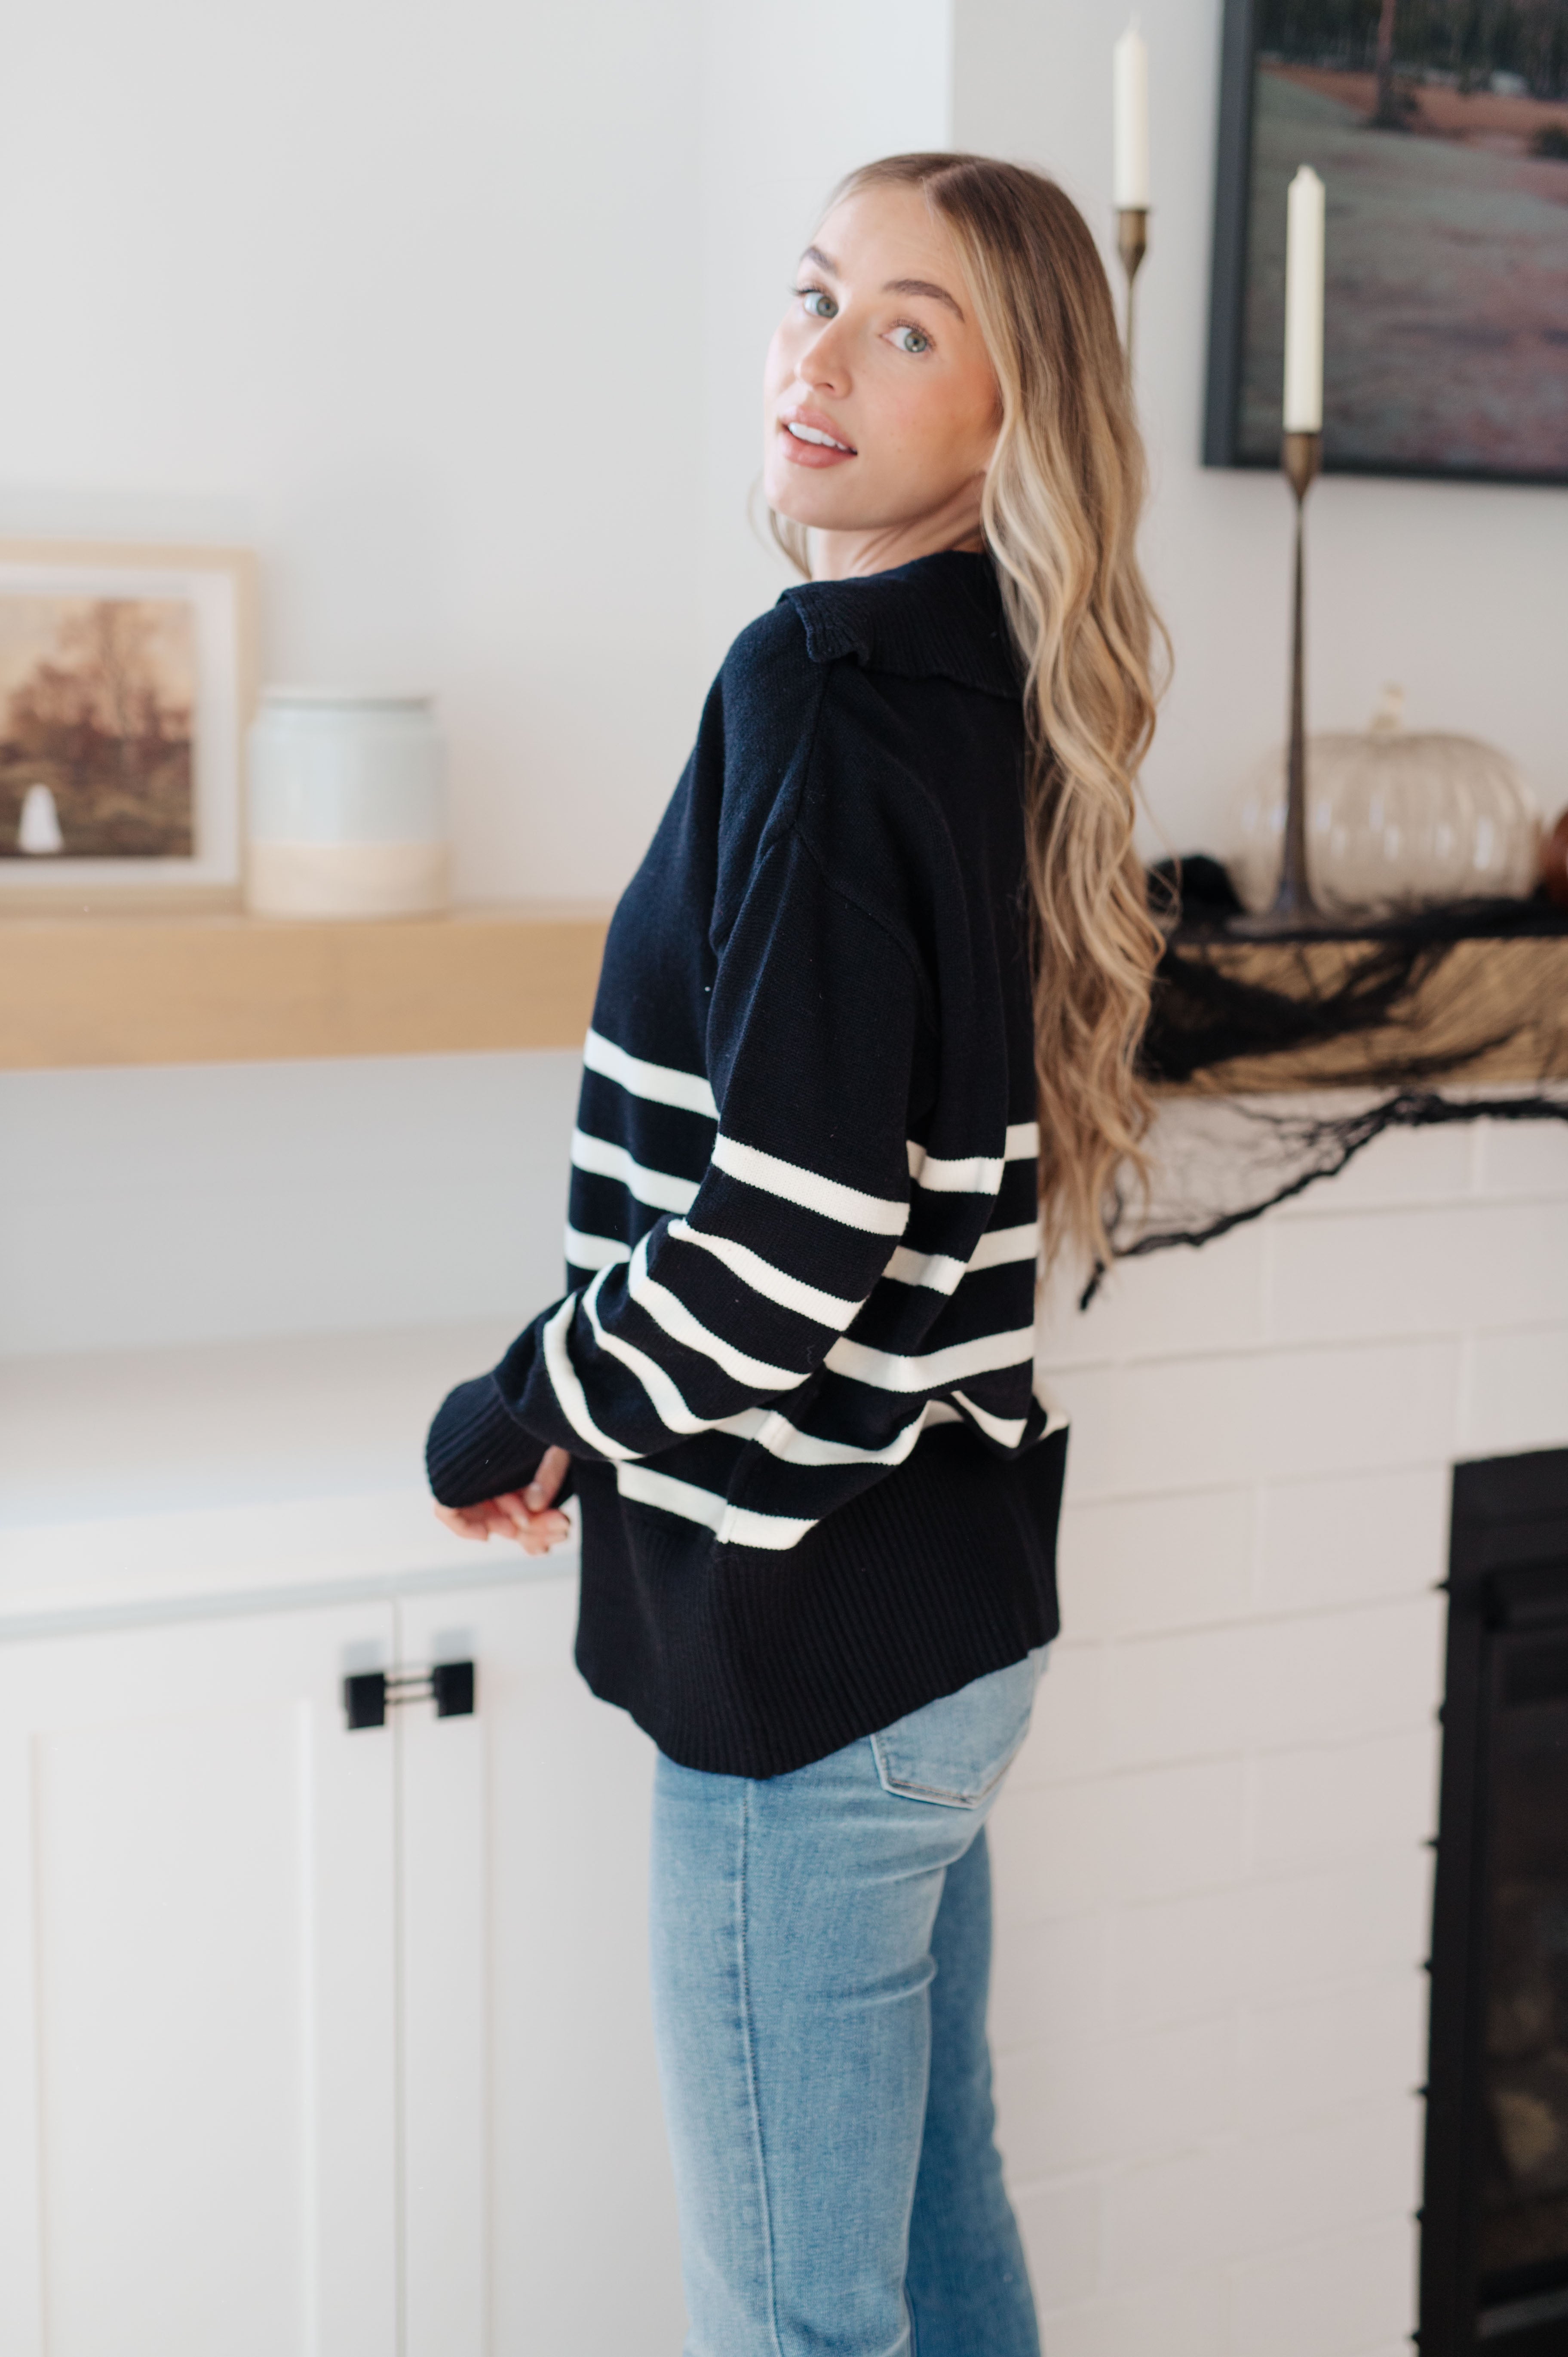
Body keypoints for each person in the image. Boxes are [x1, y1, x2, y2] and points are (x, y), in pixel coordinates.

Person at [427, 150, 1163, 2357]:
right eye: (818, 290)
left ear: (1013, 422)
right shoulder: (988, 683)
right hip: (947, 1624)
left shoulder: (825, 688)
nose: (821, 354)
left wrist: (527, 1397)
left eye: (909, 328)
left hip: (815, 1657)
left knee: (798, 2320)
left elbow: (788, 1238)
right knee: (936, 2252)